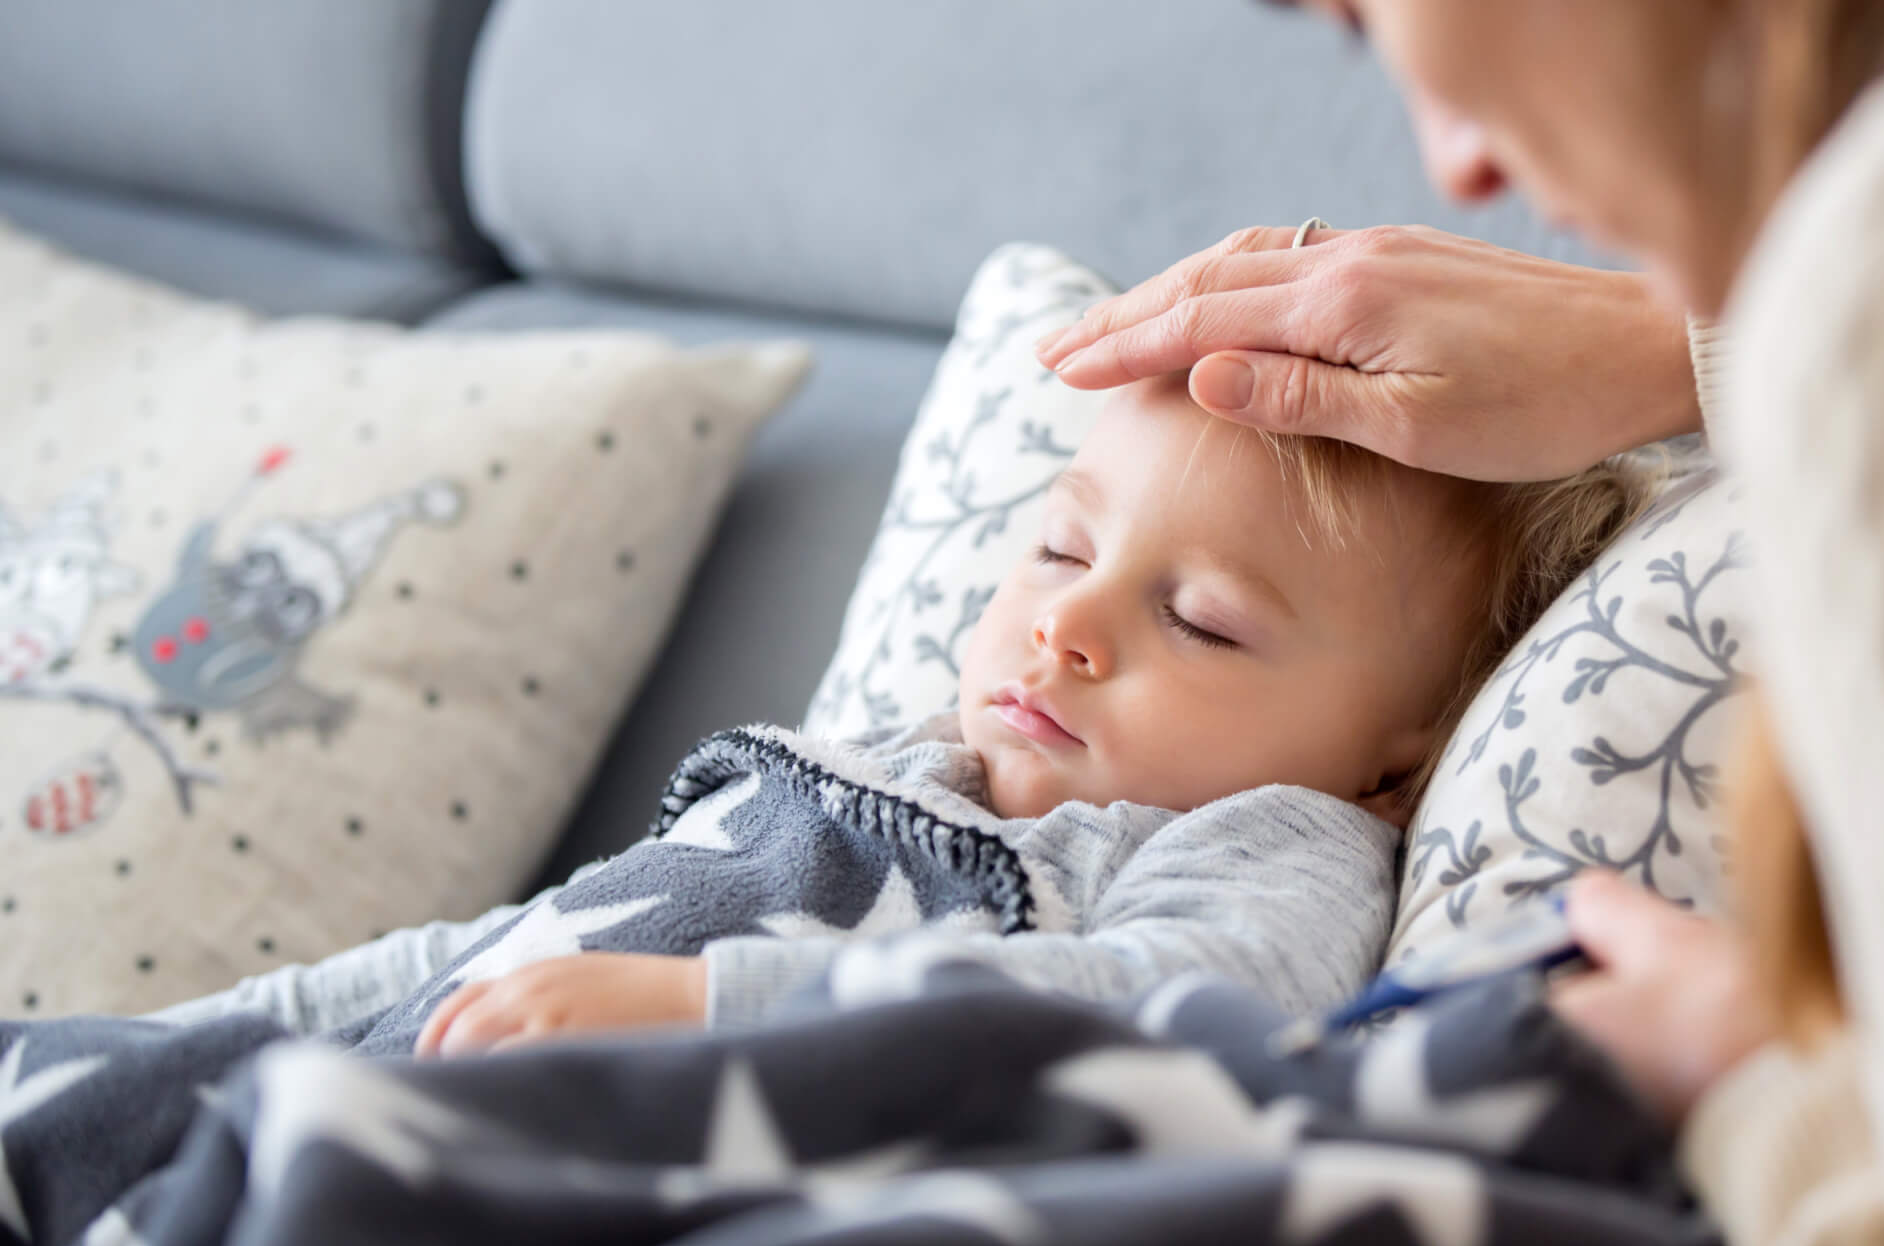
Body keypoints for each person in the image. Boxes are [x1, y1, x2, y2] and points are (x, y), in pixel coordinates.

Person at [1037, 2, 1884, 1246]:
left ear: (1401, 765)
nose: (1456, 165)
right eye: (1053, 545)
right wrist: (1682, 342)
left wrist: (1753, 1084)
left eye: (1364, 13)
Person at [153, 371, 1644, 1060]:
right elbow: (503, 948)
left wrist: (711, 1010)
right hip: (375, 1068)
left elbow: (1191, 1009)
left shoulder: (1264, 846)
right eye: (1062, 549)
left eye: (1200, 620)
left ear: (1393, 770)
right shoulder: (867, 764)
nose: (1065, 620)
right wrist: (197, 1037)